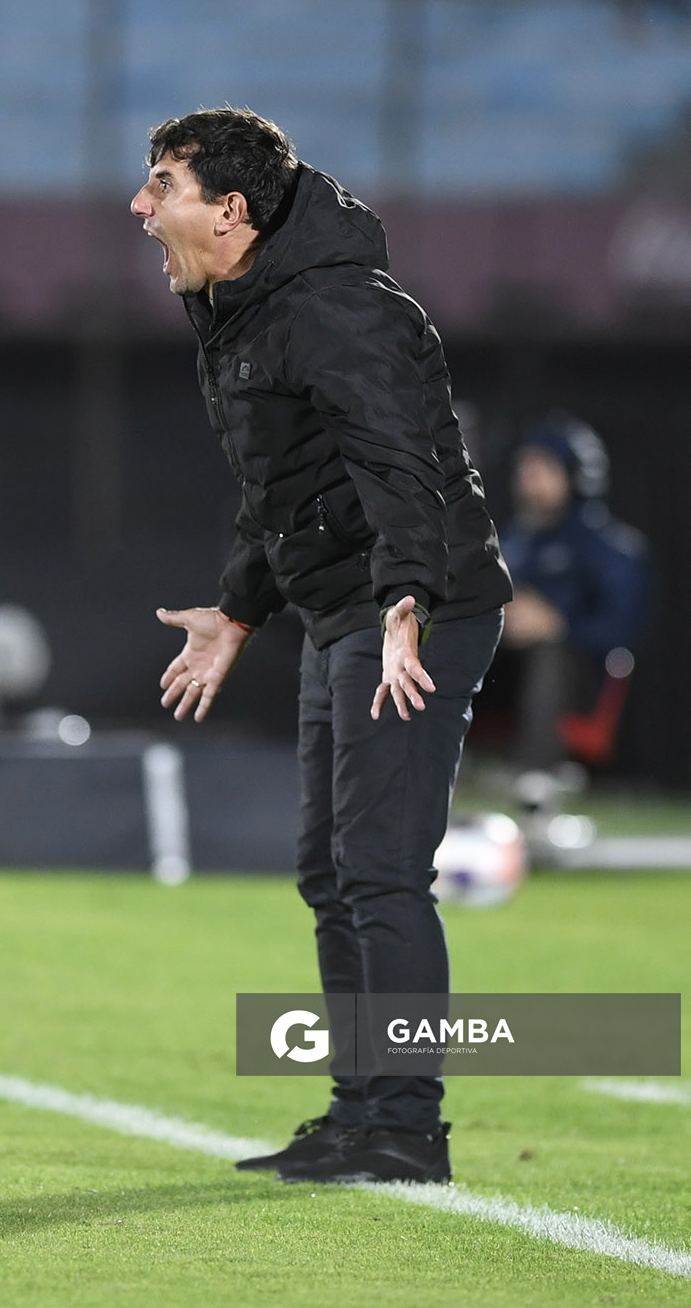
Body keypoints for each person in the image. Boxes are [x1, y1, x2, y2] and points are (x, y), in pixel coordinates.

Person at [130, 108, 512, 1186]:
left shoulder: (333, 308)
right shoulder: (252, 309)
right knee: (331, 870)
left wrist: (405, 598)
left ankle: (406, 1126)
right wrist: (240, 609)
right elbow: (285, 488)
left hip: (406, 615)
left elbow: (403, 466)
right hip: (347, 608)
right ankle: (359, 1111)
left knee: (381, 871)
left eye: (162, 185)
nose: (141, 207)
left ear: (231, 212)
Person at [496, 417, 649, 795]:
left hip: (587, 680)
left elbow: (620, 631)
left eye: (542, 467)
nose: (528, 478)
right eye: (525, 467)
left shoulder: (613, 548)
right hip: (510, 668)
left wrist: (555, 623)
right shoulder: (513, 540)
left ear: (576, 474)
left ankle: (537, 771)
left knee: (553, 652)